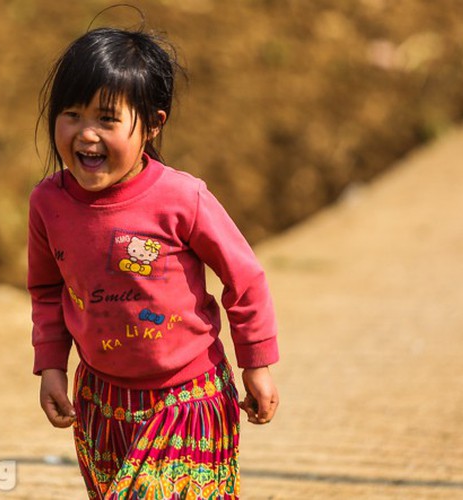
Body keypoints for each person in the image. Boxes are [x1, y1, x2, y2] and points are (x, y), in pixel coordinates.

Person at [28, 19, 279, 499]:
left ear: (153, 123)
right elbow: (46, 290)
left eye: (107, 119)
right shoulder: (48, 204)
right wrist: (51, 366)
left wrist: (257, 362)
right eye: (72, 114)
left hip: (188, 398)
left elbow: (243, 277)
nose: (86, 135)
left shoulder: (183, 198)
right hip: (102, 403)